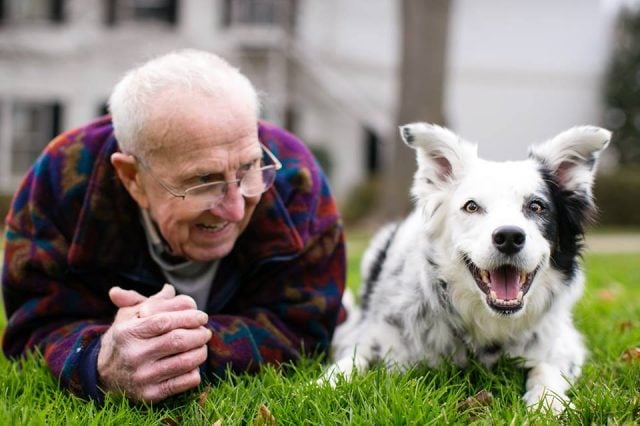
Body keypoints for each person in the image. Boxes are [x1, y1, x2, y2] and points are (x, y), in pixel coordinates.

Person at [1, 49, 346, 403]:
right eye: (204, 181)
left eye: (248, 169)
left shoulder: (293, 176)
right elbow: (33, 325)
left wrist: (175, 343)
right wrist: (98, 358)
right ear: (132, 177)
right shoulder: (62, 178)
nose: (235, 208)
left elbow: (307, 324)